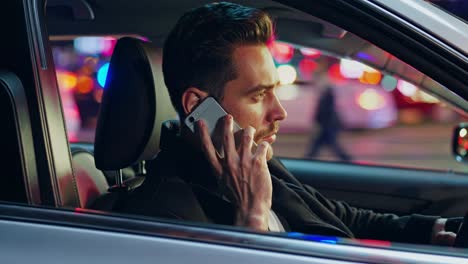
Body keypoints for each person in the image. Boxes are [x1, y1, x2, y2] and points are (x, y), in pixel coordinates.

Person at [116, 2, 461, 245]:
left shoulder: (255, 160)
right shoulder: (163, 216)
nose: (278, 111)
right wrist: (251, 218)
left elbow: (340, 217)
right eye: (258, 95)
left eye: (275, 92)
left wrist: (442, 230)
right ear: (199, 107)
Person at [306, 83, 351, 161]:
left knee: (327, 143)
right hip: (327, 125)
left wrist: (318, 122)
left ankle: (308, 158)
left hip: (328, 125)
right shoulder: (326, 96)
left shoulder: (327, 96)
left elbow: (324, 112)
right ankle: (308, 158)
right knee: (322, 143)